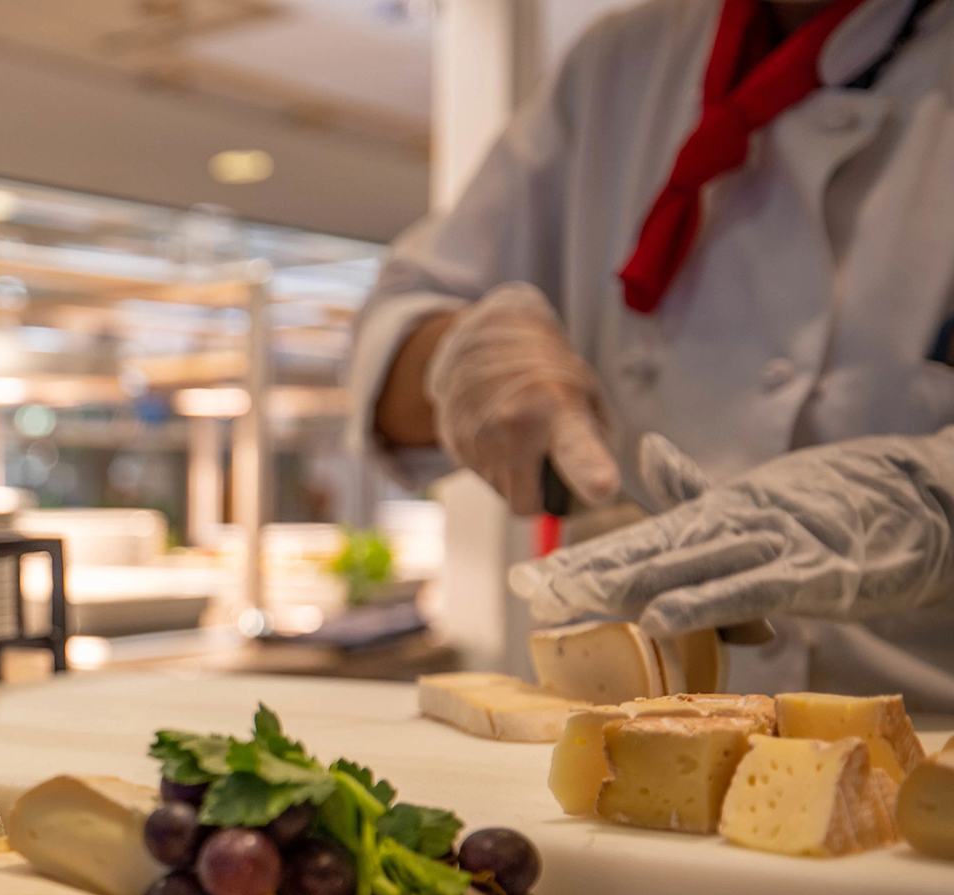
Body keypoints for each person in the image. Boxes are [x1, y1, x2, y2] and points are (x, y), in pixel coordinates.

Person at [348, 0, 954, 707]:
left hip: (924, 747)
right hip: (611, 714)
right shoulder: (621, 61)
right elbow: (390, 338)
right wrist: (459, 361)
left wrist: (931, 507)